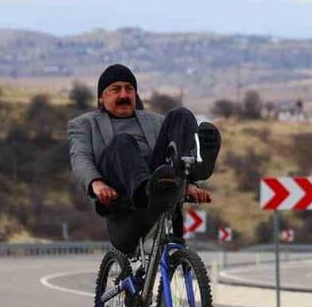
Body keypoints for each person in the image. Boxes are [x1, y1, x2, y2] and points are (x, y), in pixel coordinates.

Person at [68, 64, 217, 254]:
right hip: (122, 199)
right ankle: (149, 190)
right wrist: (96, 184)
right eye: (116, 89)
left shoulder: (155, 121)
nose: (124, 95)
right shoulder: (83, 125)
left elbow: (171, 153)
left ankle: (193, 171)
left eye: (129, 89)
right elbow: (80, 157)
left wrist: (189, 185)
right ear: (101, 97)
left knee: (181, 115)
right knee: (121, 142)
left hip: (158, 184)